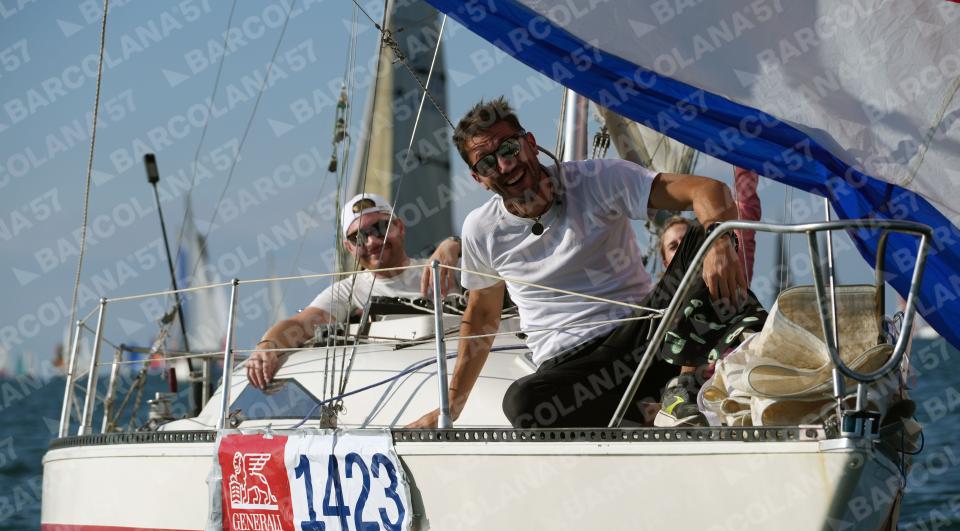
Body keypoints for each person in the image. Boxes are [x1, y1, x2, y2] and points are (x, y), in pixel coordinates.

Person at [407, 97, 766, 429]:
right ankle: (648, 410)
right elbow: (483, 317)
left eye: (509, 148)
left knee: (703, 237)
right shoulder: (481, 229)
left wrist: (720, 241)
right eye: (487, 162)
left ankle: (685, 387)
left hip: (647, 337)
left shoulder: (599, 178)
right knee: (522, 402)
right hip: (573, 370)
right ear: (479, 179)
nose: (504, 165)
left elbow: (709, 191)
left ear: (530, 143)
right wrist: (450, 406)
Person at [246, 192, 461, 389]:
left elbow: (480, 250)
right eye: (358, 238)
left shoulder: (447, 268)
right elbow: (301, 325)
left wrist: (454, 244)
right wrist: (268, 345)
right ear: (349, 247)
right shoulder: (348, 291)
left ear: (399, 227)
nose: (372, 241)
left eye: (380, 228)